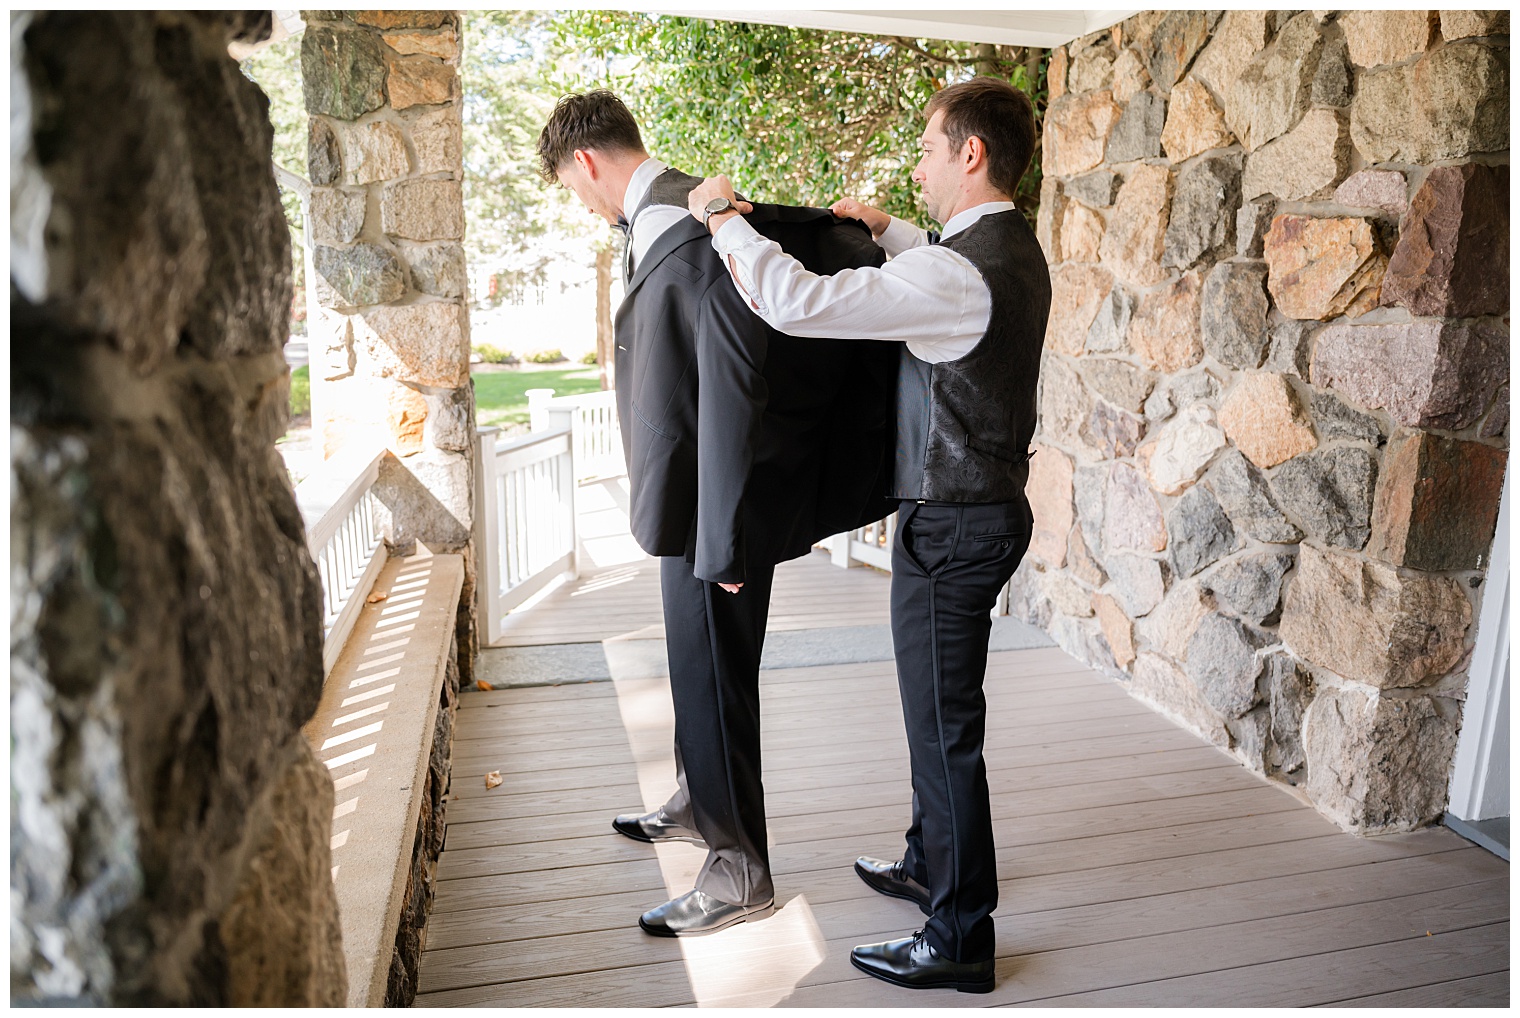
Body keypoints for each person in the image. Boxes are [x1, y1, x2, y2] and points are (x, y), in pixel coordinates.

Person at [685, 76, 1050, 992]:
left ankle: (959, 935)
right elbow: (939, 273)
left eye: (930, 148)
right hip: (988, 509)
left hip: (953, 524)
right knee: (942, 713)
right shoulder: (1010, 248)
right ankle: (930, 860)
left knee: (942, 731)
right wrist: (890, 230)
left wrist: (726, 222)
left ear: (970, 154)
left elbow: (799, 303)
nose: (920, 165)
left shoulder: (951, 277)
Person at [535, 91, 895, 938]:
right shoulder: (682, 207)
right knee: (696, 668)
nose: (579, 204)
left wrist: (726, 531)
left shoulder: (688, 230)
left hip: (715, 507)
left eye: (569, 187)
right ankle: (700, 801)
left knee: (718, 678)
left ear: (586, 163)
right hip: (693, 498)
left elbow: (737, 383)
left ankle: (739, 871)